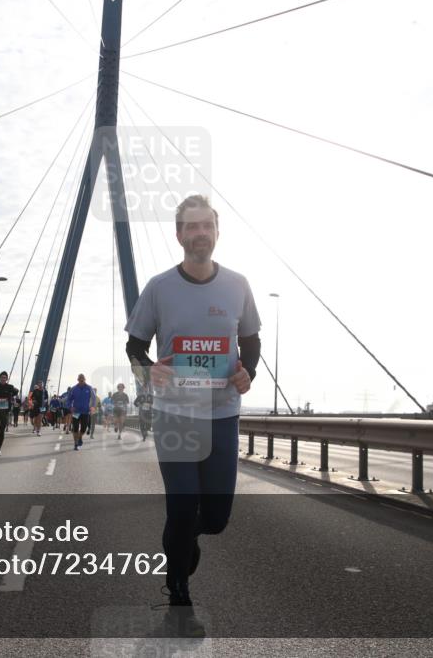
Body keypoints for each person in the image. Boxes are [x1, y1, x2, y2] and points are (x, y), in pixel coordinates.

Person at [124, 194, 261, 620]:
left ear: (217, 233)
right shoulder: (159, 288)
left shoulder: (238, 285)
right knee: (182, 506)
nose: (200, 233)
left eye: (207, 226)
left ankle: (186, 540)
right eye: (192, 227)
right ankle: (178, 586)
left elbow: (251, 341)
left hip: (223, 414)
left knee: (215, 517)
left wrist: (248, 373)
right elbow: (134, 345)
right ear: (179, 234)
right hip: (176, 415)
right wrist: (150, 372)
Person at [0, 371, 18, 456]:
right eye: (2, 377)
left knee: (2, 431)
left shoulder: (10, 387)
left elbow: (16, 391)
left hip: (5, 412)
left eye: (5, 378)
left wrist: (11, 395)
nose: (3, 379)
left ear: (7, 379)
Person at [66, 374, 94, 451]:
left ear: (85, 379)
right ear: (78, 380)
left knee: (84, 429)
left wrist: (92, 407)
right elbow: (69, 399)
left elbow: (93, 399)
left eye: (83, 379)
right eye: (80, 379)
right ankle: (76, 444)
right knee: (75, 428)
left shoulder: (89, 388)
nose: (81, 380)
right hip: (76, 412)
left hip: (85, 412)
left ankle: (80, 437)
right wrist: (70, 407)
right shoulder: (74, 389)